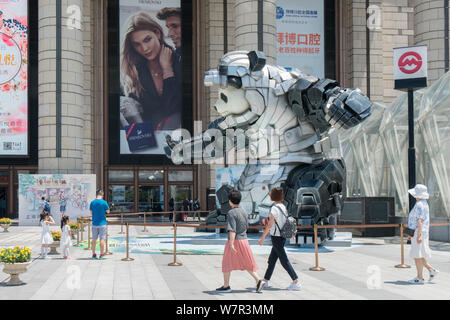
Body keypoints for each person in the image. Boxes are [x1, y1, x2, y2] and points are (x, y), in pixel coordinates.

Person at [120, 12, 182, 131]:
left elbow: (174, 108)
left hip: (178, 136)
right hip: (146, 139)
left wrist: (167, 70)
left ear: (157, 33)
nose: (144, 48)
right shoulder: (133, 71)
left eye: (147, 40)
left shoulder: (178, 61)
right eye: (137, 44)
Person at [216, 189, 262, 293]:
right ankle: (258, 281)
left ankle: (226, 286)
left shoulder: (231, 213)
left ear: (230, 201)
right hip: (244, 240)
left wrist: (231, 244)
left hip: (235, 241)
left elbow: (232, 230)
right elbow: (246, 227)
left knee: (226, 262)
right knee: (247, 262)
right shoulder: (244, 211)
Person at [257, 187, 301, 292]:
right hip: (282, 237)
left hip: (276, 237)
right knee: (272, 260)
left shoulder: (274, 209)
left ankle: (296, 282)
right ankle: (265, 280)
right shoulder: (283, 207)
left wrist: (262, 238)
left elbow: (269, 225)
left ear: (273, 196)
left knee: (284, 260)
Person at [407, 184, 439, 284]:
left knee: (417, 255)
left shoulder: (419, 204)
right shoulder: (424, 203)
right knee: (419, 254)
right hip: (420, 232)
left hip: (418, 231)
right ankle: (431, 270)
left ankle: (420, 277)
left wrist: (418, 235)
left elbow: (419, 221)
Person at [89, 189, 110, 260]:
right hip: (102, 223)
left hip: (94, 223)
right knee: (102, 239)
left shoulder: (92, 202)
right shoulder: (104, 202)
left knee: (94, 239)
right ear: (102, 195)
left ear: (96, 194)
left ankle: (93, 254)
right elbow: (108, 211)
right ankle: (101, 254)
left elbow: (91, 213)